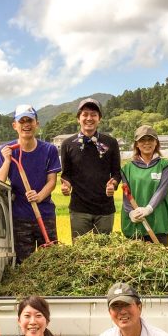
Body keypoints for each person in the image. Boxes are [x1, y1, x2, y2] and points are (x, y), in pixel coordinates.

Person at [0, 104, 61, 261]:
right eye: (21, 121)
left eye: (29, 120)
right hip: (20, 218)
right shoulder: (6, 150)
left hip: (45, 214)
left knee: (52, 262)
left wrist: (39, 196)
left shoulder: (49, 150)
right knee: (24, 264)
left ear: (37, 123)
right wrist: (7, 160)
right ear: (15, 125)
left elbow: (52, 181)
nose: (26, 125)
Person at [59, 98, 121, 239]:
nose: (89, 118)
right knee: (80, 254)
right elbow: (66, 174)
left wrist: (113, 184)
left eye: (93, 114)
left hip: (105, 208)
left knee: (104, 253)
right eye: (85, 114)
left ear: (99, 119)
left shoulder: (110, 142)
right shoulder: (68, 144)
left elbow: (117, 173)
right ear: (78, 118)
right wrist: (66, 184)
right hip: (79, 209)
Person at [120, 125, 168, 246]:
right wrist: (131, 213)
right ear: (136, 144)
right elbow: (126, 195)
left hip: (158, 223)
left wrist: (148, 209)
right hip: (136, 223)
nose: (146, 143)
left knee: (159, 262)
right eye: (142, 140)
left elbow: (162, 190)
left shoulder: (165, 165)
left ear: (156, 143)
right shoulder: (127, 168)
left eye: (150, 140)